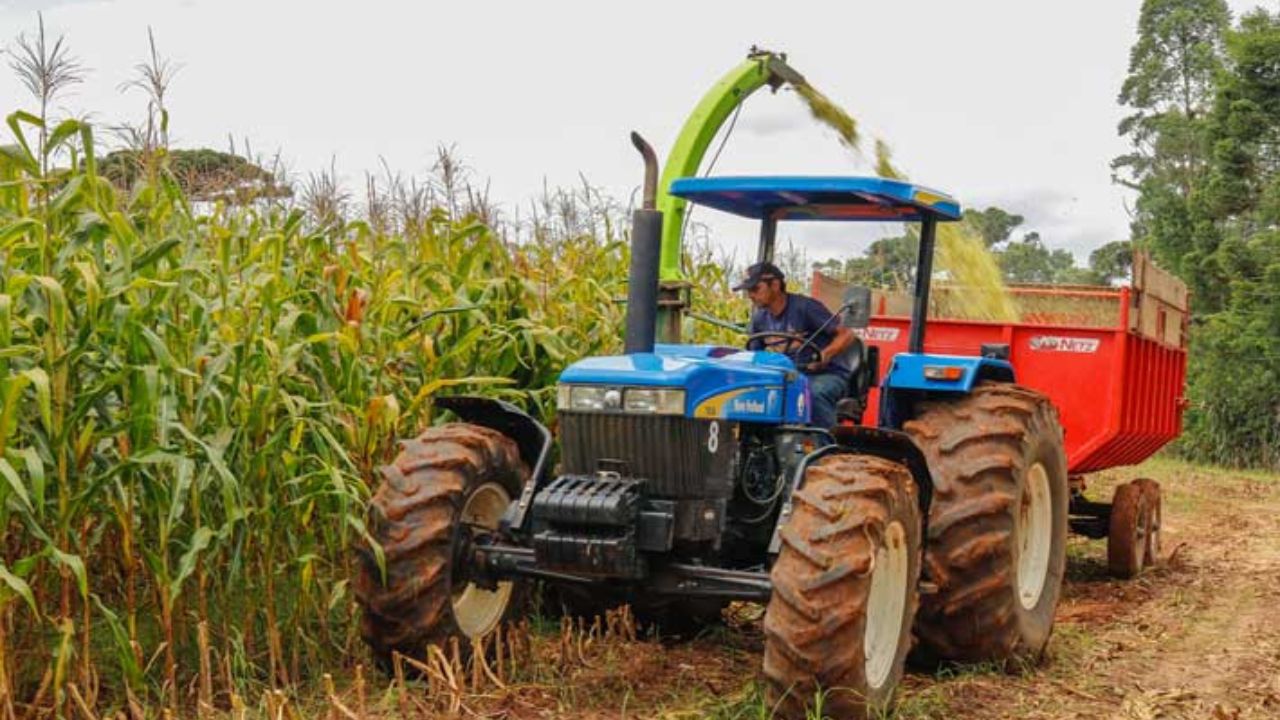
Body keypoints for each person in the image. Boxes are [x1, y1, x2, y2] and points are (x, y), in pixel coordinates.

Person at [734, 262, 855, 428]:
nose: (750, 295)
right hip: (786, 376)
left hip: (824, 375)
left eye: (755, 289)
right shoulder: (759, 318)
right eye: (748, 291)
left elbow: (847, 334)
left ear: (775, 285)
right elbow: (754, 355)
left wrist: (825, 355)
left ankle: (825, 447)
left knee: (811, 393)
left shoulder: (805, 307)